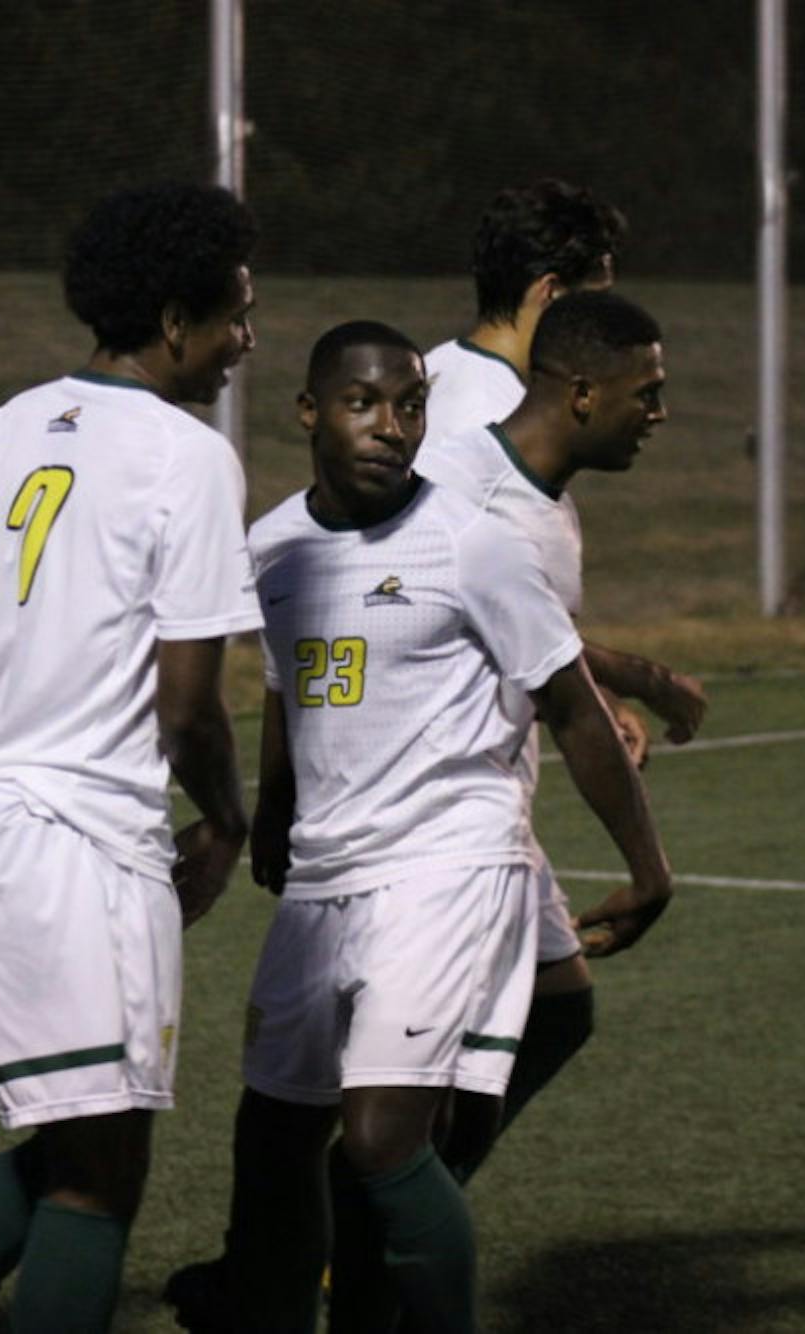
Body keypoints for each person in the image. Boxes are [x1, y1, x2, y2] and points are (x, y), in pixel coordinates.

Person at [191, 317, 675, 1333]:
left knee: (376, 1134)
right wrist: (275, 812)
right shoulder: (271, 548)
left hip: (449, 862)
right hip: (328, 875)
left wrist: (646, 867)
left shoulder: (470, 540)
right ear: (308, 412)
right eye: (360, 402)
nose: (386, 426)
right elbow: (289, 686)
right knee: (271, 1133)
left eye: (407, 404)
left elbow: (574, 706)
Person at [0, 182, 263, 1334]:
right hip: (84, 840)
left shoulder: (0, 428)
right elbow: (188, 705)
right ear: (175, 317)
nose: (245, 338)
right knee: (100, 1171)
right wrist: (228, 822)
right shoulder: (185, 458)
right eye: (234, 312)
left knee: (75, 1146)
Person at [416, 185, 705, 1186]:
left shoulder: (463, 388)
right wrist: (612, 683)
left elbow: (508, 603)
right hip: (438, 793)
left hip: (464, 773)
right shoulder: (487, 418)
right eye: (594, 298)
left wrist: (596, 682)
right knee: (400, 1087)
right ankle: (340, 1250)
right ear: (551, 298)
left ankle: (331, 1245)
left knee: (543, 1010)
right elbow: (438, 584)